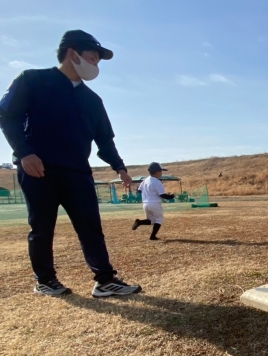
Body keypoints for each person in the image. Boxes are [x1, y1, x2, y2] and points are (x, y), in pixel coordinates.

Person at [0, 30, 142, 298]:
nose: (95, 64)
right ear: (71, 52)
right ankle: (46, 280)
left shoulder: (93, 100)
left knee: (91, 226)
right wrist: (25, 152)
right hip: (38, 168)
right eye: (92, 57)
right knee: (42, 227)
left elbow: (104, 139)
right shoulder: (32, 80)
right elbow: (7, 116)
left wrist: (120, 167)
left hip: (77, 171)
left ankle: (105, 280)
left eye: (98, 60)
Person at [132, 162, 175, 240]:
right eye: (161, 171)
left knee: (152, 220)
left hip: (145, 204)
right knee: (159, 219)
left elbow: (139, 191)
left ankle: (139, 222)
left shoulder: (145, 180)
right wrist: (171, 196)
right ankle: (152, 236)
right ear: (158, 172)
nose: (161, 173)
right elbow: (162, 195)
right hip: (154, 203)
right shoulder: (157, 182)